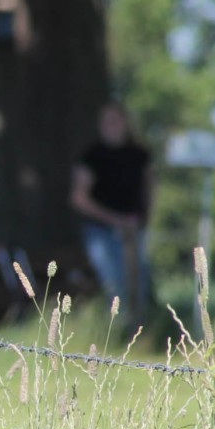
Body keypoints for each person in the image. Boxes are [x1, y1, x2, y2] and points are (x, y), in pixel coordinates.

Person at [70, 101, 153, 315]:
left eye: (115, 120)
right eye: (106, 121)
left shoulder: (139, 155)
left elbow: (150, 188)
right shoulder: (92, 156)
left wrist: (142, 219)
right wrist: (116, 220)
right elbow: (79, 198)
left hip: (134, 229)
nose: (111, 126)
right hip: (101, 231)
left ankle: (139, 330)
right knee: (113, 282)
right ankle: (116, 330)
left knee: (139, 282)